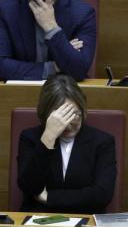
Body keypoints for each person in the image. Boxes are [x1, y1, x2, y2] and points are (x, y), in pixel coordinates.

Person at [17, 74, 116, 213]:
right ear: (46, 115)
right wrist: (48, 137)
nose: (68, 124)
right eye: (61, 117)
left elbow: (101, 195)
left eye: (74, 114)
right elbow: (29, 187)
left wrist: (49, 197)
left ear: (82, 109)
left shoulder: (102, 142)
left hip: (86, 223)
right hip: (37, 221)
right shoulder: (30, 138)